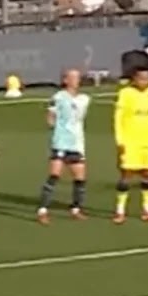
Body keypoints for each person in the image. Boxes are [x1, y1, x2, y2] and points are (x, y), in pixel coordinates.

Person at [113, 62, 148, 223]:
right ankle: (120, 211)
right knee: (126, 175)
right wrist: (120, 140)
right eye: (141, 78)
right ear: (134, 79)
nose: (145, 81)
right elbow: (118, 118)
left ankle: (147, 210)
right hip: (131, 142)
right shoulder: (125, 93)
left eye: (147, 78)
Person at [39, 68, 91, 222]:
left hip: (77, 143)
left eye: (78, 77)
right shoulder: (58, 97)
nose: (77, 80)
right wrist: (58, 129)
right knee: (55, 175)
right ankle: (43, 210)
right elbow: (50, 117)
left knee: (80, 178)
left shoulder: (84, 99)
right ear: (65, 80)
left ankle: (76, 209)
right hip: (61, 142)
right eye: (73, 77)